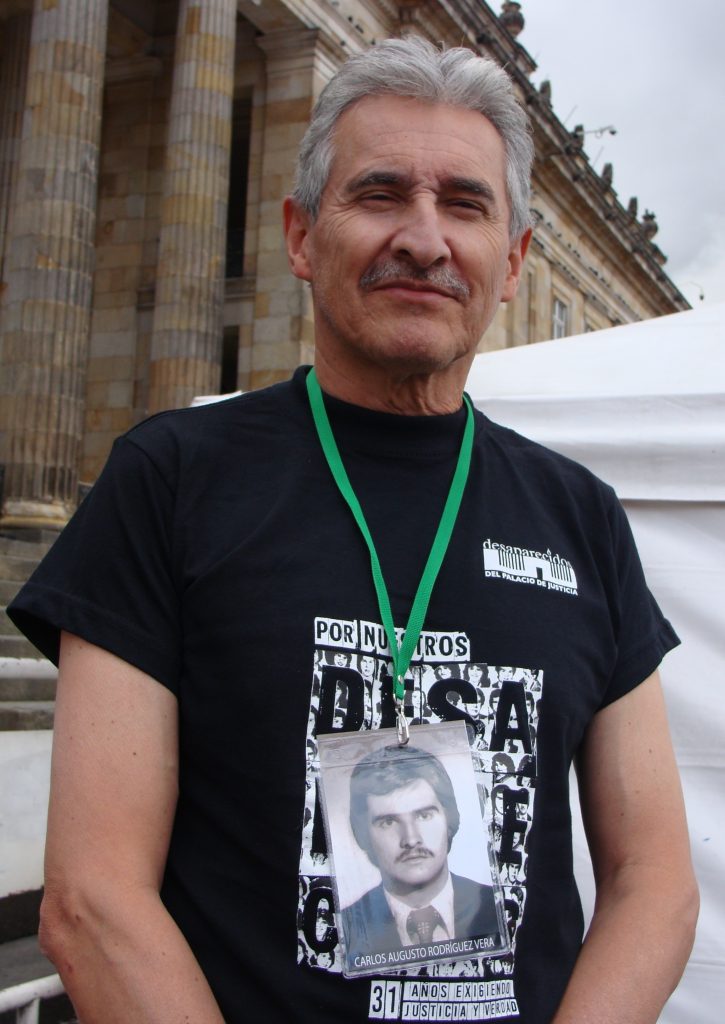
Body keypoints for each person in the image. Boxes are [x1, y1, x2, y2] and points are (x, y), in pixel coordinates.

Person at [8, 36, 697, 1024]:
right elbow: (91, 897)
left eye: (462, 204)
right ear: (299, 235)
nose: (422, 238)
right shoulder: (169, 480)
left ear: (508, 264)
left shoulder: (576, 514)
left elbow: (654, 882)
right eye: (379, 195)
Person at [340, 744, 499, 958]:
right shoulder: (348, 923)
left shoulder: (495, 905)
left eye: (424, 816)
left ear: (449, 818)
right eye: (388, 822)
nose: (411, 839)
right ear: (362, 835)